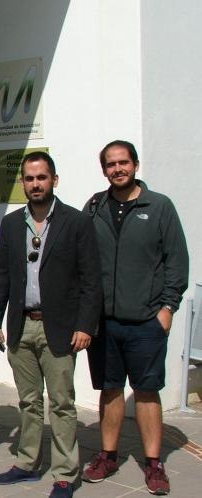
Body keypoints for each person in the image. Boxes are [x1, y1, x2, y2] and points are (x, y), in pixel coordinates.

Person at [0, 152, 102, 498]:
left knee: (62, 403)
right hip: (22, 326)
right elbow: (2, 275)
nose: (35, 184)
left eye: (42, 177)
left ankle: (65, 473)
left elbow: (91, 280)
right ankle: (27, 463)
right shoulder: (10, 223)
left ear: (54, 180)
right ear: (23, 183)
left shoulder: (76, 222)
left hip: (61, 328)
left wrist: (85, 325)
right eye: (30, 179)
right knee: (28, 401)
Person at [81, 140, 188, 496]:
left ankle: (154, 463)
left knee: (146, 391)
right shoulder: (95, 206)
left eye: (123, 162)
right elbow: (81, 260)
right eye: (110, 164)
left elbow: (177, 261)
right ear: (104, 170)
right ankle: (108, 455)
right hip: (104, 322)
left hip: (146, 321)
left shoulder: (159, 207)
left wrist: (167, 309)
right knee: (110, 389)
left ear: (136, 165)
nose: (117, 169)